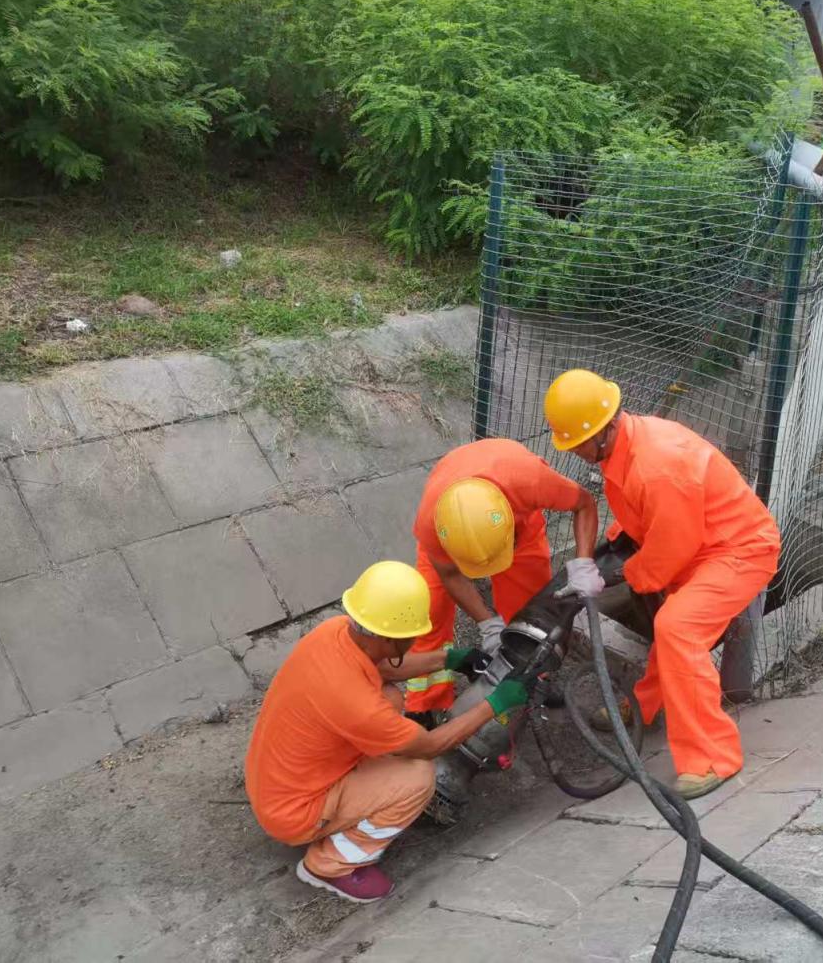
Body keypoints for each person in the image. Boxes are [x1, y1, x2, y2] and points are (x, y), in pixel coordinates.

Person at [544, 369, 781, 799]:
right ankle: (643, 706)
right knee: (673, 633)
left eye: (577, 441)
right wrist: (618, 539)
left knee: (677, 628)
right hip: (704, 545)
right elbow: (650, 512)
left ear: (606, 427)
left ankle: (713, 756)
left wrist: (625, 575)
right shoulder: (624, 447)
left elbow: (673, 544)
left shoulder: (658, 464)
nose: (574, 451)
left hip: (738, 551)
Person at [244, 560, 532, 903]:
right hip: (295, 811)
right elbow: (431, 745)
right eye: (411, 636)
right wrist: (495, 703)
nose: (415, 641)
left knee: (390, 697)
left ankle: (348, 801)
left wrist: (451, 659)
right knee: (418, 778)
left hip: (274, 781)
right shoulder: (360, 707)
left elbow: (379, 665)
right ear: (390, 637)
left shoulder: (334, 632)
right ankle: (330, 864)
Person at [405, 438, 603, 716]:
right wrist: (487, 623)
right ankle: (424, 706)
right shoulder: (433, 524)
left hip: (522, 533)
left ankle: (531, 683)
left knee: (534, 612)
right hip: (454, 523)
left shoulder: (530, 480)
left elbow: (584, 503)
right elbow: (449, 575)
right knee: (430, 613)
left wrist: (583, 563)